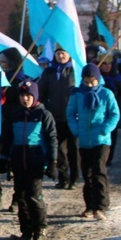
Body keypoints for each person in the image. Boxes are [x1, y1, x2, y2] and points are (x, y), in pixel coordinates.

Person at [0, 80, 57, 240]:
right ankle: (26, 230)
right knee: (21, 196)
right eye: (23, 96)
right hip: (18, 160)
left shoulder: (43, 115)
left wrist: (52, 162)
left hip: (35, 160)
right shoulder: (14, 115)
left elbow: (51, 139)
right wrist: (4, 158)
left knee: (34, 196)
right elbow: (7, 138)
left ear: (35, 96)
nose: (25, 99)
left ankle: (40, 228)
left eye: (29, 96)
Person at [67, 64, 120, 220]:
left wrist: (105, 128)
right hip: (84, 141)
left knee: (99, 171)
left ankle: (101, 206)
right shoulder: (77, 95)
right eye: (86, 81)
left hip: (101, 140)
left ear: (98, 80)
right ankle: (90, 205)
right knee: (87, 174)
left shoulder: (106, 94)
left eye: (92, 81)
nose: (89, 85)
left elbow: (114, 114)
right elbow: (70, 114)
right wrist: (76, 130)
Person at [0, 47, 27, 213]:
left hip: (14, 127)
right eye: (0, 62)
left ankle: (17, 199)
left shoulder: (21, 81)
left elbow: (24, 104)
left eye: (4, 62)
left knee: (15, 163)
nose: (1, 65)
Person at [38, 44, 80, 190]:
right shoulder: (49, 72)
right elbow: (41, 92)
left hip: (73, 117)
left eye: (63, 53)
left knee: (74, 149)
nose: (61, 56)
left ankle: (74, 178)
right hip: (55, 117)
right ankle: (64, 178)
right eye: (58, 54)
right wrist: (42, 108)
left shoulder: (76, 71)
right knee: (59, 149)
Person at [98, 54, 121, 165]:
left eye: (109, 64)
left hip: (112, 110)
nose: (107, 66)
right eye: (104, 64)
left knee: (112, 135)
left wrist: (117, 104)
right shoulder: (96, 77)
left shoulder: (117, 77)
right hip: (98, 111)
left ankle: (109, 158)